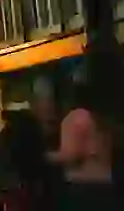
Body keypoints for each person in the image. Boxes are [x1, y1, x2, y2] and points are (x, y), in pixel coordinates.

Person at [49, 82, 116, 210]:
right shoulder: (102, 121)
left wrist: (47, 157)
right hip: (104, 181)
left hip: (83, 183)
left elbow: (72, 155)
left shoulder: (77, 118)